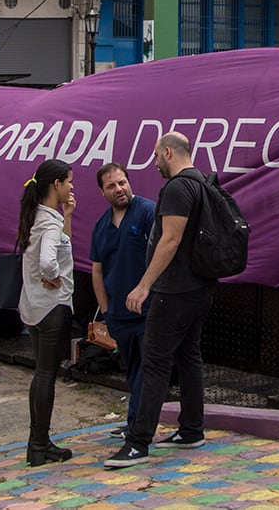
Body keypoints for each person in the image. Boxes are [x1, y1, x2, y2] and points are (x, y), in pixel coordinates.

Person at [105, 132, 219, 470]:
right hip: (200, 288)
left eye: (156, 155)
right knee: (189, 357)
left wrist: (143, 286)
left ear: (168, 152)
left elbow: (170, 240)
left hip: (174, 290)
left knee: (154, 363)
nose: (154, 162)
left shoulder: (177, 188)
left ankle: (138, 442)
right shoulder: (202, 182)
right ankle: (191, 429)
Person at [16, 159, 76, 466]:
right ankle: (40, 443)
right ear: (55, 185)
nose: (71, 187)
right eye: (68, 181)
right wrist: (52, 274)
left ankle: (36, 443)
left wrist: (67, 216)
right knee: (47, 377)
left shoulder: (38, 217)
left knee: (41, 374)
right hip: (52, 307)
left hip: (33, 307)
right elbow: (49, 261)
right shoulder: (49, 223)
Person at [89, 162, 156, 437]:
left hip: (148, 310)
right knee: (131, 370)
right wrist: (106, 311)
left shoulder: (147, 213)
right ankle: (133, 423)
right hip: (118, 315)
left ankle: (138, 426)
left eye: (122, 183)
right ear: (102, 192)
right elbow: (97, 269)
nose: (119, 189)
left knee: (147, 368)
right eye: (111, 186)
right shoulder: (101, 226)